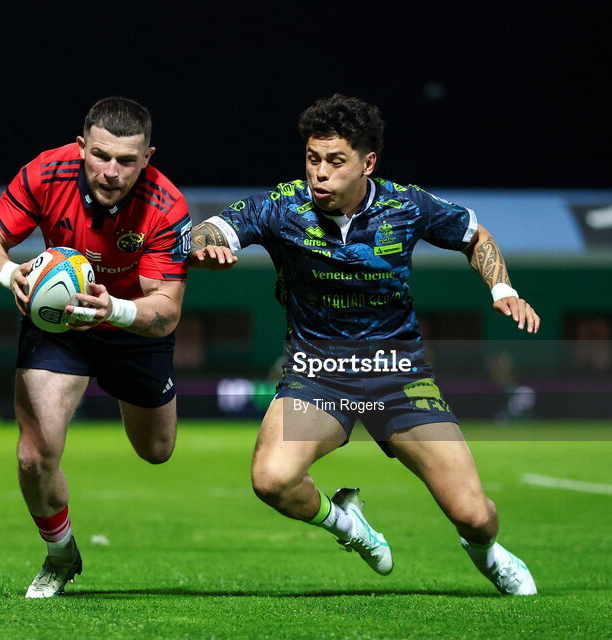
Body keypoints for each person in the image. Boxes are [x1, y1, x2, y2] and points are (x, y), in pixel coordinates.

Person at [188, 94, 540, 595]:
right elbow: (210, 228)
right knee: (272, 479)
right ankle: (349, 525)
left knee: (475, 515)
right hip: (317, 375)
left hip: (399, 375)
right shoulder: (280, 206)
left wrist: (502, 289)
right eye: (313, 159)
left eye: (335, 162)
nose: (320, 175)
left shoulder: (407, 204)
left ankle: (486, 552)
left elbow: (474, 235)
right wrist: (206, 246)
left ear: (367, 163)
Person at [0, 97, 191, 596]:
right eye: (100, 155)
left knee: (156, 451)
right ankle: (60, 553)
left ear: (147, 158)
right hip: (58, 325)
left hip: (131, 326)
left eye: (127, 161)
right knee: (34, 455)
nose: (111, 171)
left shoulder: (166, 205)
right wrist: (11, 275)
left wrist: (114, 310)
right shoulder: (47, 172)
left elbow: (167, 310)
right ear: (81, 146)